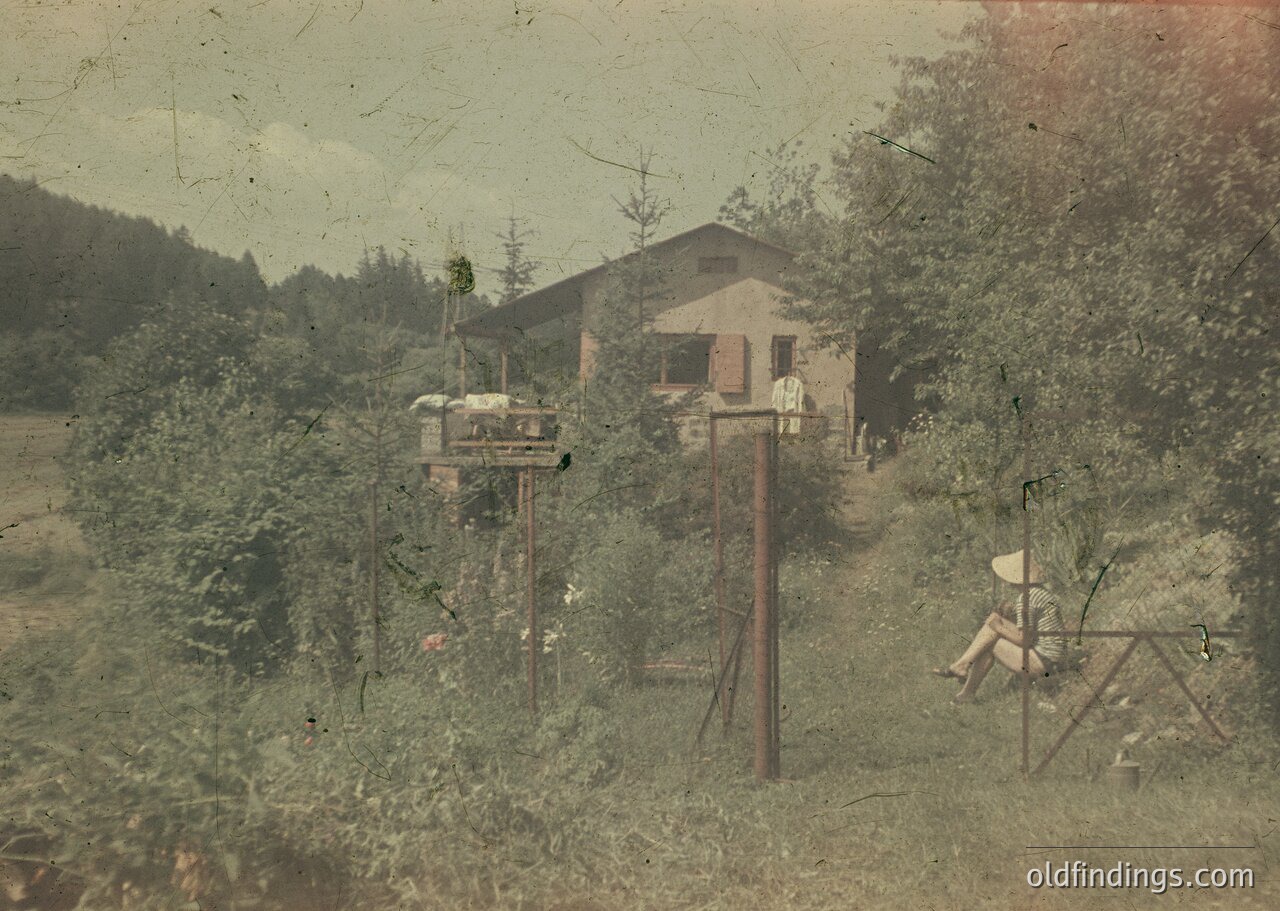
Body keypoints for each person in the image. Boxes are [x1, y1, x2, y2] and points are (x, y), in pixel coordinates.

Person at [932, 549, 1067, 703]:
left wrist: (999, 628)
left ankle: (963, 677)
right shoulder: (1039, 592)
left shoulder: (1027, 599)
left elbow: (1025, 640)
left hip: (1045, 662)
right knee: (995, 620)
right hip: (1053, 657)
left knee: (992, 641)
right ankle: (962, 674)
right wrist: (1001, 622)